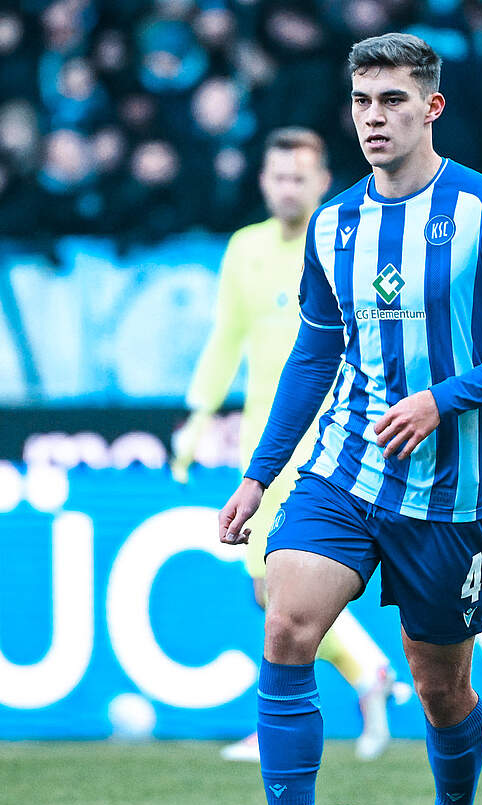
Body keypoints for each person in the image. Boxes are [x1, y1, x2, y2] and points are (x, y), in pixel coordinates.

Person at [213, 33, 482, 805]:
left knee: (441, 688)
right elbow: (313, 356)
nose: (373, 118)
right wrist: (260, 475)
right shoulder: (335, 224)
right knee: (286, 626)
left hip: (447, 492)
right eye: (362, 102)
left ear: (431, 107)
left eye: (393, 101)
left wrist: (442, 400)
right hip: (343, 471)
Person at [173, 127, 402, 763]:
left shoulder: (345, 241)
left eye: (299, 177)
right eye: (278, 177)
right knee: (269, 588)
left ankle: (292, 716)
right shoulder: (245, 248)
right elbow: (227, 337)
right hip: (264, 442)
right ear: (263, 182)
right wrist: (198, 415)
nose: (288, 188)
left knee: (284, 583)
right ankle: (367, 671)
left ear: (323, 181)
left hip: (333, 436)